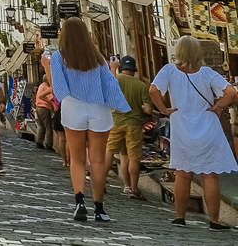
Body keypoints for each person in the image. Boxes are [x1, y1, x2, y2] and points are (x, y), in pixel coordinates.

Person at [44, 16, 131, 223]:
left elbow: (59, 88)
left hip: (73, 107)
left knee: (77, 159)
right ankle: (99, 208)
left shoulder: (59, 57)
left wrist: (62, 97)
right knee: (98, 160)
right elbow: (109, 84)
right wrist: (120, 105)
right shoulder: (97, 58)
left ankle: (79, 202)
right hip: (98, 108)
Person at [149, 35, 238, 230]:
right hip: (207, 128)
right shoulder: (207, 73)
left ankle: (180, 217)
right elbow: (231, 93)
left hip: (182, 127)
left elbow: (153, 90)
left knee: (183, 173)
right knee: (210, 175)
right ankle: (214, 221)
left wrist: (163, 109)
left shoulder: (169, 71)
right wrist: (219, 107)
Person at [107, 55, 152, 199]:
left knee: (111, 152)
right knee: (133, 157)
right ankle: (133, 188)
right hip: (133, 125)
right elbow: (147, 110)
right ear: (134, 70)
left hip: (116, 122)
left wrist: (112, 69)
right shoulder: (141, 85)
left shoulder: (116, 80)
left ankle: (100, 181)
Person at [34, 76, 55, 151]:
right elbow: (50, 98)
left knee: (41, 126)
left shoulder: (41, 85)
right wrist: (53, 104)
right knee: (48, 126)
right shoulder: (46, 87)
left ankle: (39, 142)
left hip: (38, 107)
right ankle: (49, 144)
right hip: (44, 108)